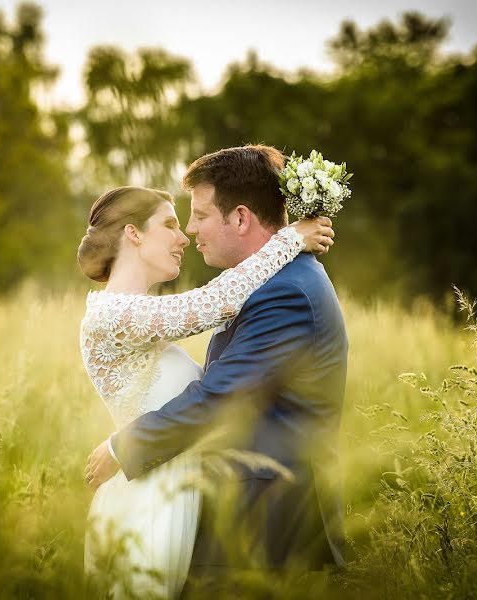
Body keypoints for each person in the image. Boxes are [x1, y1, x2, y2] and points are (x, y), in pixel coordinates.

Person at [80, 145, 346, 597]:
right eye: (175, 221)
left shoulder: (285, 292)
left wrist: (124, 447)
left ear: (240, 218)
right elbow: (206, 308)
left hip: (265, 518)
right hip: (199, 504)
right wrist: (288, 240)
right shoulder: (267, 284)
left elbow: (221, 396)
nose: (189, 230)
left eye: (199, 214)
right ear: (132, 235)